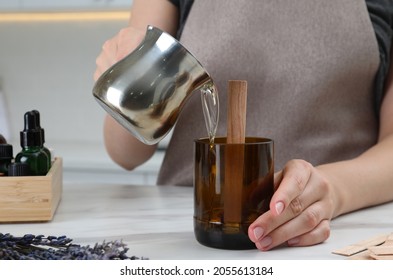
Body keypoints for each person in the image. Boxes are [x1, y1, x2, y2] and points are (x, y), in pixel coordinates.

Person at [94, 0, 393, 251]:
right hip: (188, 233)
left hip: (330, 231)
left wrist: (333, 191)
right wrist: (127, 68)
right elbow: (126, 154)